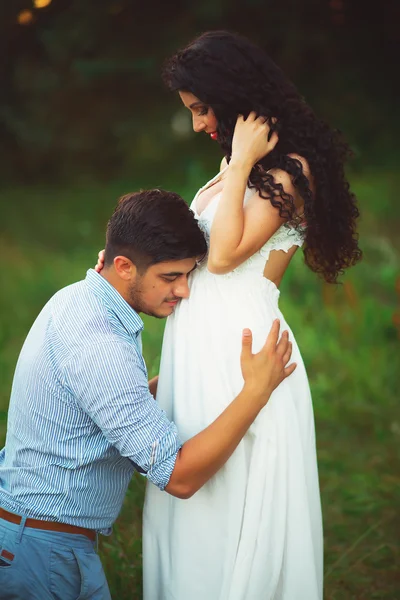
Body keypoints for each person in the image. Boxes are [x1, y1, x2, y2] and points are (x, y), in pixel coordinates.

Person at [95, 31, 362, 599]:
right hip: (201, 347)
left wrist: (241, 160)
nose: (196, 123)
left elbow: (222, 256)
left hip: (240, 349)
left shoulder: (290, 171)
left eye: (200, 108)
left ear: (230, 94)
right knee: (192, 489)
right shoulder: (240, 166)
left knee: (233, 498)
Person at [0, 189, 296, 600]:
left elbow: (118, 405)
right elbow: (178, 477)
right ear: (123, 266)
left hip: (40, 540)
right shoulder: (100, 342)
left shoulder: (79, 301)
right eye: (170, 277)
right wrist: (255, 392)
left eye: (188, 275)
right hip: (43, 555)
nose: (183, 291)